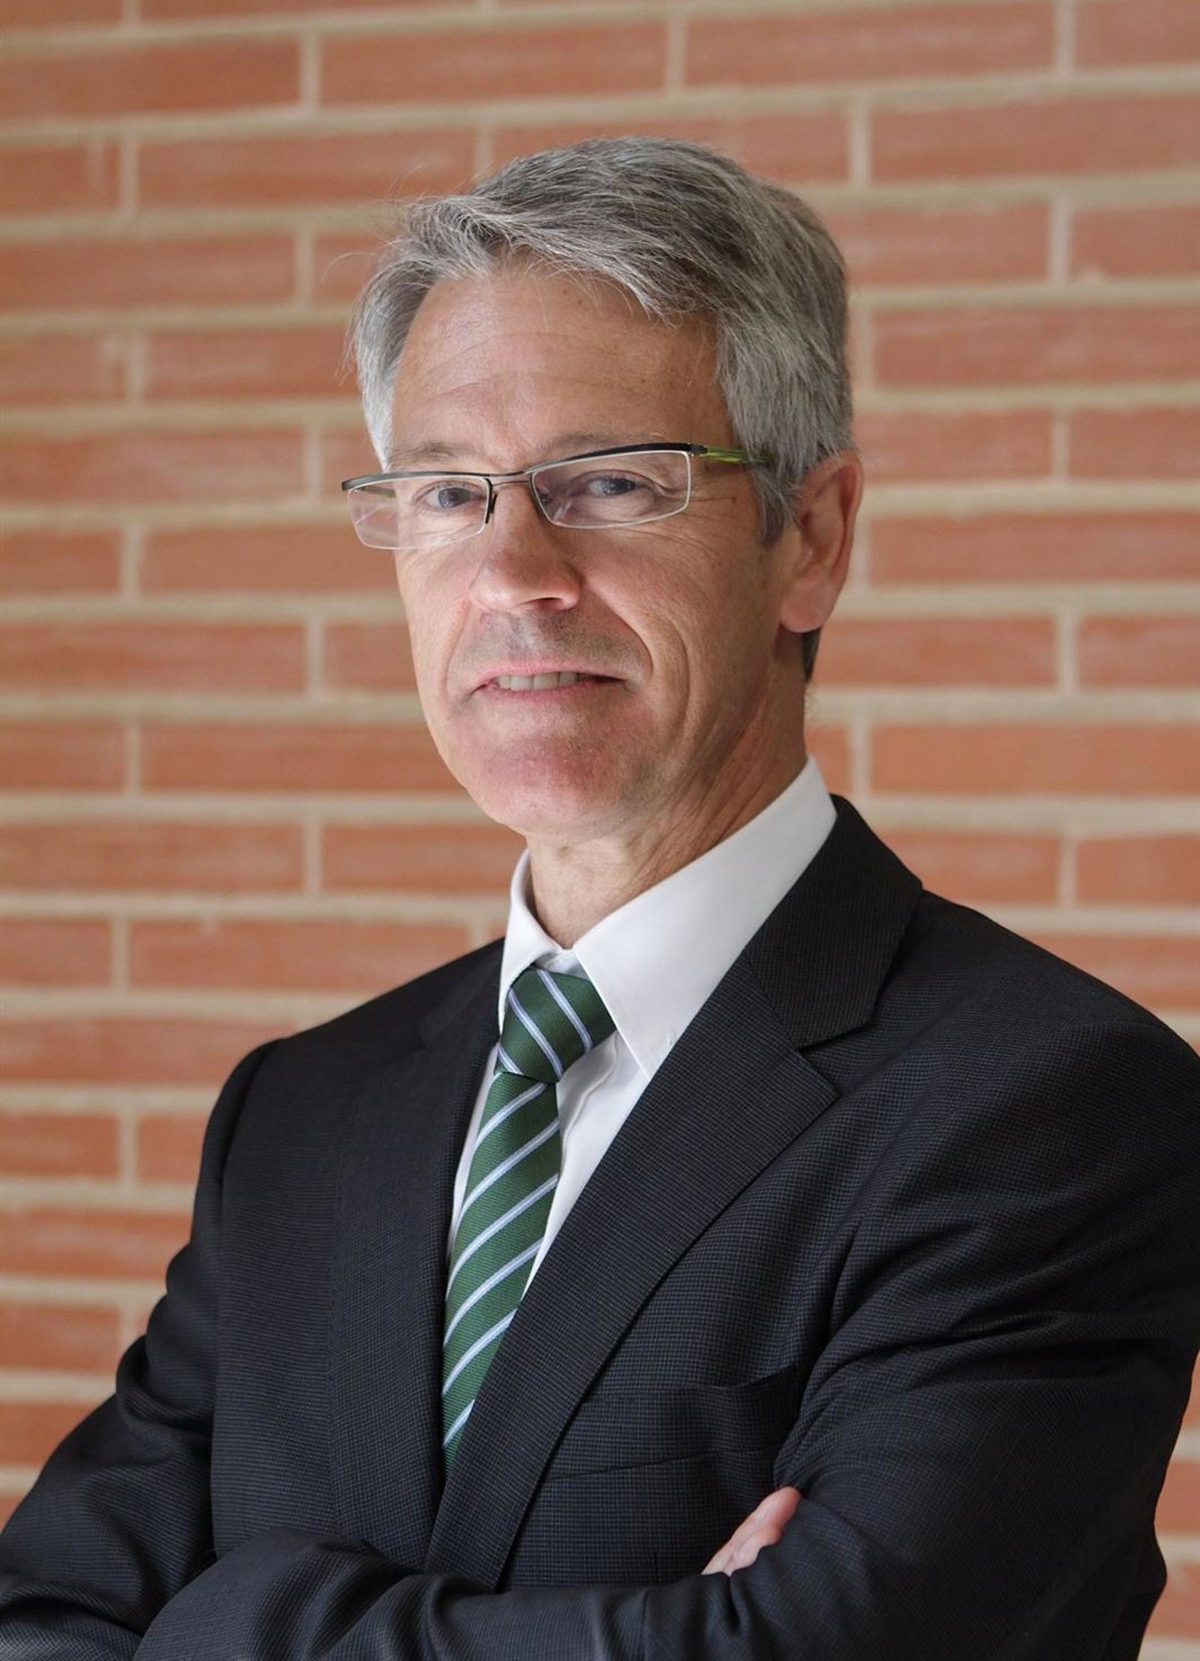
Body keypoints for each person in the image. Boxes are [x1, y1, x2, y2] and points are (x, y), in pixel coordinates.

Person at [1, 137, 1196, 1660]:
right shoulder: (300, 1119)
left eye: (611, 482)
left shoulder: (1043, 1105)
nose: (513, 573)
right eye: (449, 492)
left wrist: (230, 1623)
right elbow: (40, 1619)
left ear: (811, 537)